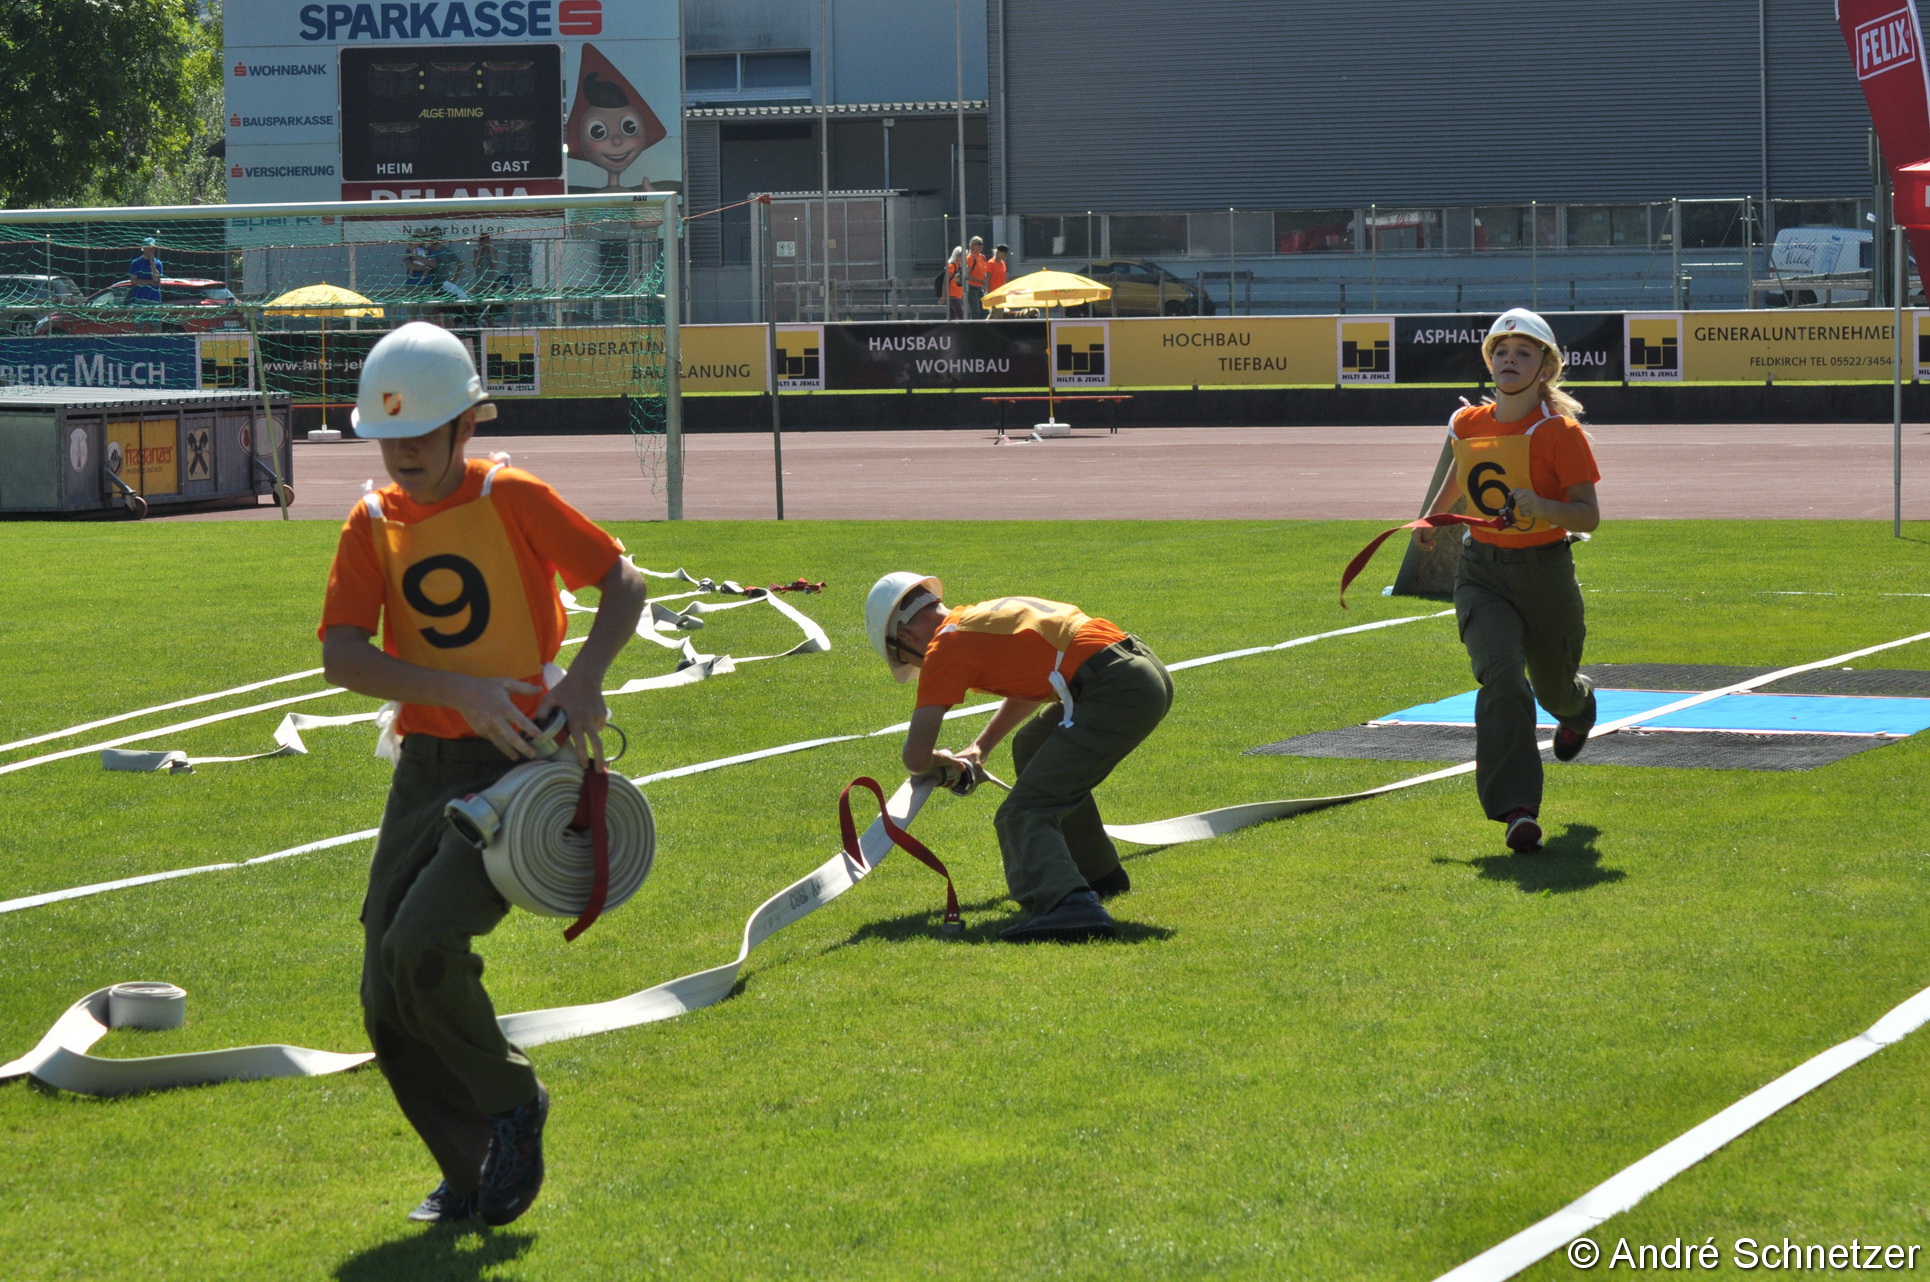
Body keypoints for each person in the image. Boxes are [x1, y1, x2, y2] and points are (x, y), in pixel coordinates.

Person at [318, 322, 648, 1226]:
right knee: (383, 993)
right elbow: (342, 655)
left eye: (423, 431)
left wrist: (584, 680)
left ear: (467, 424)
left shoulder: (514, 496)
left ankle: (513, 1102)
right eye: (389, 434)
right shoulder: (369, 522)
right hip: (423, 767)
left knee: (423, 945)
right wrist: (456, 692)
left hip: (518, 763)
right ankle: (470, 1173)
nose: (404, 450)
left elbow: (623, 582)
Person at [864, 574, 1173, 942]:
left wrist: (945, 765)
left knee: (1023, 812)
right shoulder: (976, 619)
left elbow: (915, 757)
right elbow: (1035, 681)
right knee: (1032, 744)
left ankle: (1068, 906)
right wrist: (980, 748)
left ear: (907, 637)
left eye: (906, 658)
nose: (919, 666)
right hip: (1136, 668)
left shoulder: (944, 645)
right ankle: (1098, 875)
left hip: (1114, 687)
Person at [1414, 307, 1602, 853]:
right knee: (1501, 677)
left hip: (1546, 573)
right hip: (1482, 573)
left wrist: (1542, 505)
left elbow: (1588, 516)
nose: (1509, 360)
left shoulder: (1561, 433)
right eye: (1500, 351)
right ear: (1489, 362)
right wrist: (1431, 518)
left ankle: (1578, 707)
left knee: (1553, 689)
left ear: (1546, 367)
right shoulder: (1467, 423)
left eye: (1523, 353)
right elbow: (1461, 473)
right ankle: (1517, 809)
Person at [129, 237, 163, 329]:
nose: (151, 250)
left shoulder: (158, 263)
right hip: (139, 299)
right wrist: (149, 282)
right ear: (143, 248)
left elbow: (156, 280)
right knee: (139, 328)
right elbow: (134, 281)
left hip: (154, 299)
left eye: (153, 247)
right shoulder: (136, 263)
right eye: (149, 247)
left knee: (156, 328)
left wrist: (152, 263)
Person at [964, 236, 989, 318]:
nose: (981, 246)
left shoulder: (982, 257)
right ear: (973, 245)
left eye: (982, 244)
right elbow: (966, 275)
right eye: (979, 244)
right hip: (972, 288)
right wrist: (980, 281)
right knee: (976, 312)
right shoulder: (970, 257)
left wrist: (985, 282)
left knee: (984, 312)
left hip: (980, 288)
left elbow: (984, 272)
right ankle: (973, 326)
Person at [984, 243, 1011, 308]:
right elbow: (987, 279)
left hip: (1001, 292)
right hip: (993, 292)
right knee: (996, 312)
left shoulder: (1003, 263)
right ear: (998, 252)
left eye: (1006, 254)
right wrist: (989, 293)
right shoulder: (991, 263)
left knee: (1001, 311)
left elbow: (1004, 278)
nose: (1005, 256)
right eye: (1004, 254)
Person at [944, 247, 966, 320]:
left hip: (958, 295)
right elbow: (945, 281)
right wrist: (943, 295)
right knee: (961, 316)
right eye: (961, 255)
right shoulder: (951, 266)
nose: (963, 257)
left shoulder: (960, 267)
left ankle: (943, 327)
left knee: (951, 317)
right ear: (956, 255)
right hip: (952, 295)